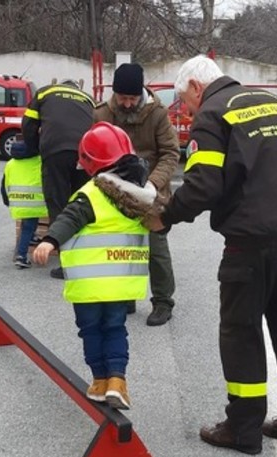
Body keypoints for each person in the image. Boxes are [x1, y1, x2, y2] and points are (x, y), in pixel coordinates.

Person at [144, 56, 277, 454]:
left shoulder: (213, 114)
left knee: (241, 332)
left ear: (196, 86)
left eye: (184, 100)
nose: (187, 109)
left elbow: (203, 184)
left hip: (253, 243)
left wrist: (167, 217)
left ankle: (243, 429)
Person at [33, 122, 156, 409]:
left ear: (91, 163)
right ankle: (117, 381)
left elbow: (69, 218)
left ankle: (99, 379)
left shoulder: (92, 193)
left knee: (90, 329)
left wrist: (49, 240)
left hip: (90, 284)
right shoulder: (142, 194)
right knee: (115, 328)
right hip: (120, 284)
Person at [94, 63, 180, 327]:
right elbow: (94, 149)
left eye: (132, 98)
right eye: (122, 98)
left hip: (151, 191)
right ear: (115, 93)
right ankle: (126, 296)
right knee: (121, 247)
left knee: (156, 248)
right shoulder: (102, 113)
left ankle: (163, 301)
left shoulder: (157, 114)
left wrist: (153, 183)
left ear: (140, 93)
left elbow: (170, 153)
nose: (127, 104)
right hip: (116, 190)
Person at [22, 79, 95, 278]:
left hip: (56, 152)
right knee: (81, 205)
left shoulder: (45, 93)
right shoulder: (89, 98)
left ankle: (66, 265)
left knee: (58, 205)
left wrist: (35, 148)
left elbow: (28, 125)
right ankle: (84, 258)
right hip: (85, 155)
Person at [0, 138, 48, 269]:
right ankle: (21, 256)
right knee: (28, 225)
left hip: (16, 201)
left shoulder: (10, 164)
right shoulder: (39, 161)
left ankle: (31, 237)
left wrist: (7, 201)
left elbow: (4, 184)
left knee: (29, 222)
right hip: (35, 201)